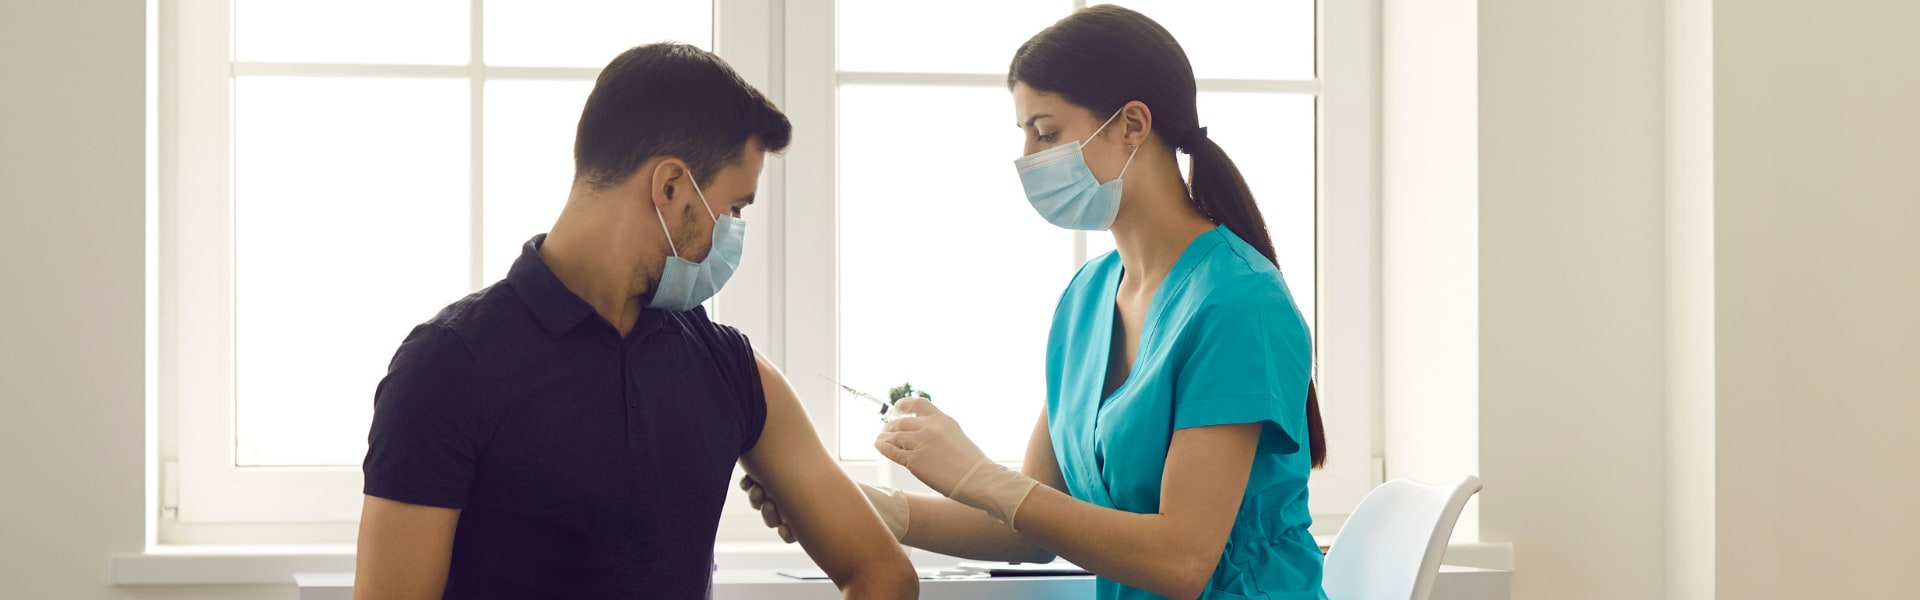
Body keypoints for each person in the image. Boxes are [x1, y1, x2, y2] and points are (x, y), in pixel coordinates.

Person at [745, 6, 1328, 600]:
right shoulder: (1088, 298)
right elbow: (1028, 531)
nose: (1028, 155)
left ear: (1132, 124)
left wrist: (977, 474)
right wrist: (859, 507)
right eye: (1023, 133)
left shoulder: (1237, 303)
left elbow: (1182, 562)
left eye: (1046, 132)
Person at [353, 43, 917, 599]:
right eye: (735, 209)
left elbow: (883, 576)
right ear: (670, 186)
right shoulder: (447, 366)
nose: (735, 232)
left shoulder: (731, 368)